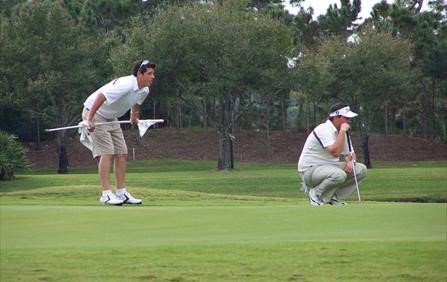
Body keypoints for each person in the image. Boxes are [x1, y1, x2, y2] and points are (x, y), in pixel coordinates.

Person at [82, 59, 156, 205]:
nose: (153, 76)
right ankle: (106, 194)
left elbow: (136, 103)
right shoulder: (126, 84)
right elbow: (101, 96)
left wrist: (134, 117)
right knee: (107, 152)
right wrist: (89, 119)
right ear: (139, 74)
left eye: (153, 73)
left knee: (121, 153)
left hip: (111, 117)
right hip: (95, 112)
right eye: (149, 73)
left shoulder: (144, 89)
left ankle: (121, 193)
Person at [298, 103, 367, 206]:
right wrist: (343, 131)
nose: (349, 121)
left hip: (329, 168)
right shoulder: (323, 129)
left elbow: (350, 154)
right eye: (346, 118)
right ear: (336, 117)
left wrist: (350, 161)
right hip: (310, 171)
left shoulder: (342, 132)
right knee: (339, 175)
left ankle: (331, 196)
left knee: (360, 169)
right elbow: (335, 152)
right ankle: (315, 193)